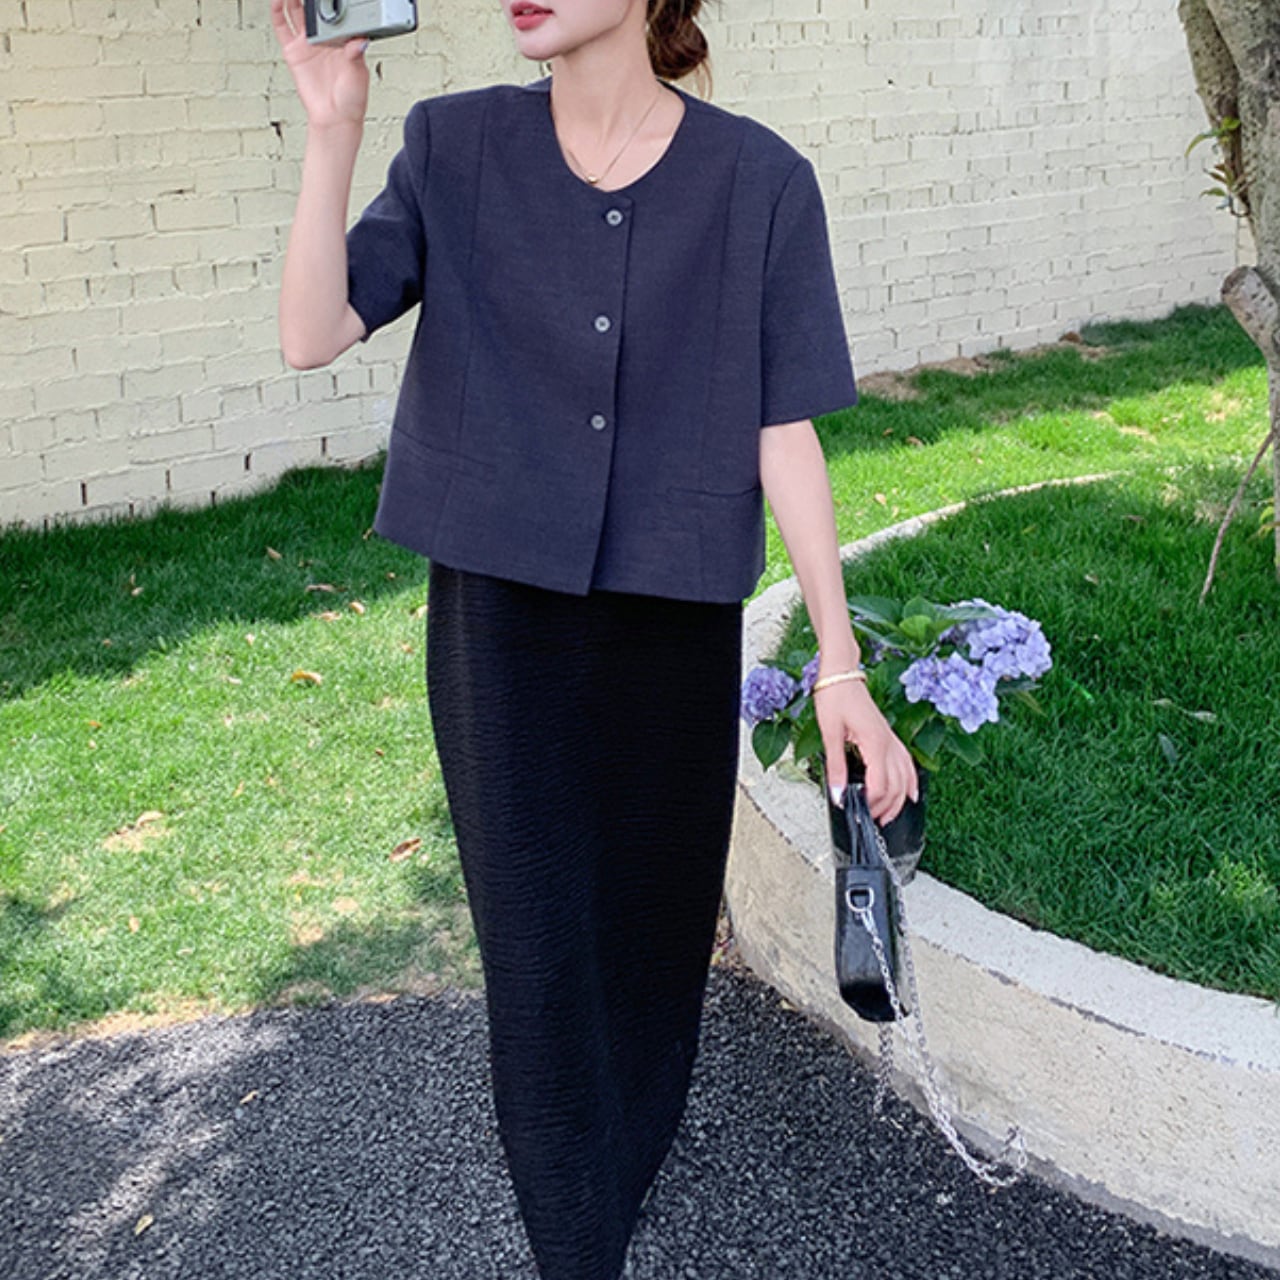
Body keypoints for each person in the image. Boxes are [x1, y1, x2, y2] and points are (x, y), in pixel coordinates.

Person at [273, 1, 917, 1275]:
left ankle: (618, 1176)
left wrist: (837, 663)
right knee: (536, 956)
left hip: (671, 623)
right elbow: (309, 333)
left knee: (649, 937)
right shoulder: (451, 144)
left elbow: (782, 426)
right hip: (498, 626)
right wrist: (332, 128)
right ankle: (574, 1240)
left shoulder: (758, 180)